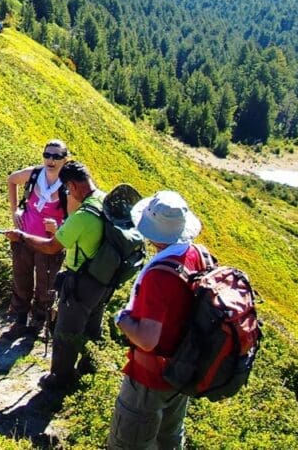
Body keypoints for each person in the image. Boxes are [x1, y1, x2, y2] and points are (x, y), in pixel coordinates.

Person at [107, 191, 205, 449]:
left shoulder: (159, 276)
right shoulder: (196, 255)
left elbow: (148, 340)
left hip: (151, 377)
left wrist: (122, 319)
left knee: (129, 440)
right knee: (169, 439)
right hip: (182, 368)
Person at [14, 160, 110, 391]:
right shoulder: (105, 201)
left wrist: (22, 236)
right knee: (92, 327)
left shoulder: (83, 216)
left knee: (66, 330)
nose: (68, 194)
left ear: (73, 185)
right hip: (104, 277)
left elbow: (50, 247)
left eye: (68, 189)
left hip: (81, 280)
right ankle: (89, 372)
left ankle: (59, 379)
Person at [2, 140, 69, 339]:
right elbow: (12, 179)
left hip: (50, 245)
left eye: (57, 156)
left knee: (45, 286)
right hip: (24, 238)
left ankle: (38, 322)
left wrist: (59, 228)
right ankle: (19, 320)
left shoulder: (68, 184)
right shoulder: (34, 174)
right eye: (47, 155)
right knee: (21, 280)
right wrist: (14, 211)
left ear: (65, 159)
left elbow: (76, 214)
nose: (51, 160)